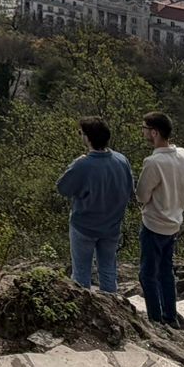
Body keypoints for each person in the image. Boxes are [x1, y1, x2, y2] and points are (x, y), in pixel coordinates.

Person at [136, 111, 184, 329]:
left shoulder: (153, 162)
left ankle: (155, 320)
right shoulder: (183, 154)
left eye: (144, 128)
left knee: (147, 274)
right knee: (166, 271)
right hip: (174, 222)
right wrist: (176, 193)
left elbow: (141, 195)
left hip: (154, 223)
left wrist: (157, 199)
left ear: (154, 132)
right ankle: (170, 317)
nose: (143, 132)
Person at [56, 118, 132, 292]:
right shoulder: (121, 160)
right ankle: (112, 309)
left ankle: (84, 312)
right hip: (112, 226)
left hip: (84, 226)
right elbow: (129, 189)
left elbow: (63, 188)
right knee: (108, 271)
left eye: (81, 133)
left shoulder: (83, 164)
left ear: (88, 138)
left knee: (81, 275)